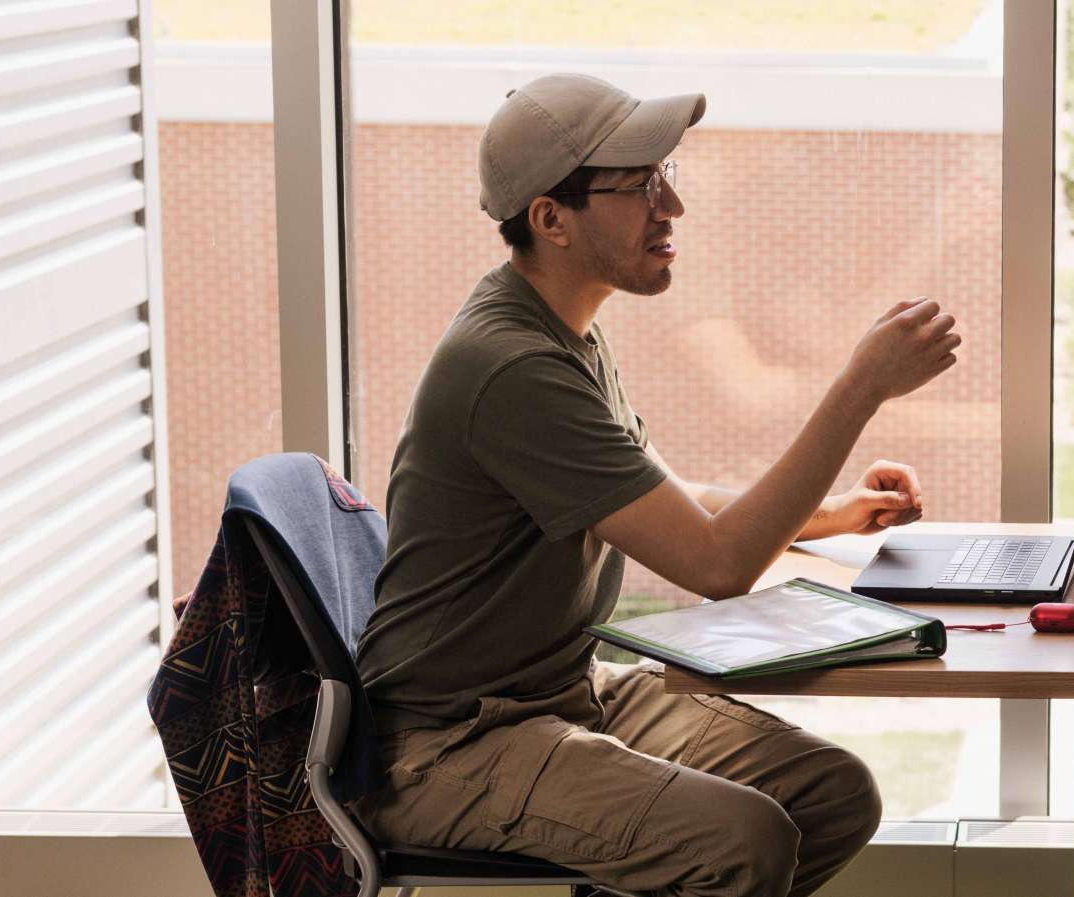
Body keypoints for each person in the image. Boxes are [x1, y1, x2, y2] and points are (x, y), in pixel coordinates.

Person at [348, 73, 961, 897]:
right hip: (447, 744)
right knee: (742, 841)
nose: (670, 205)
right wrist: (861, 387)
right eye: (639, 185)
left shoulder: (565, 332)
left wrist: (831, 514)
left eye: (666, 176)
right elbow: (716, 565)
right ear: (550, 218)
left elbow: (669, 500)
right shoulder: (513, 365)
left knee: (832, 793)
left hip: (559, 694)